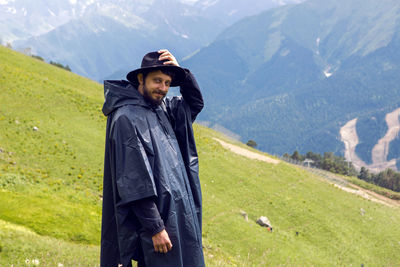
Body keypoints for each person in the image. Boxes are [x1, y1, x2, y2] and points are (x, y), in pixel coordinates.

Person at [100, 49, 205, 267]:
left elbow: (195, 104)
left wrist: (182, 74)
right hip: (158, 226)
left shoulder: (162, 108)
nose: (163, 89)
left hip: (176, 219)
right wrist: (155, 228)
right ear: (141, 78)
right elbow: (134, 182)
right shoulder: (126, 118)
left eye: (167, 83)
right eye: (158, 81)